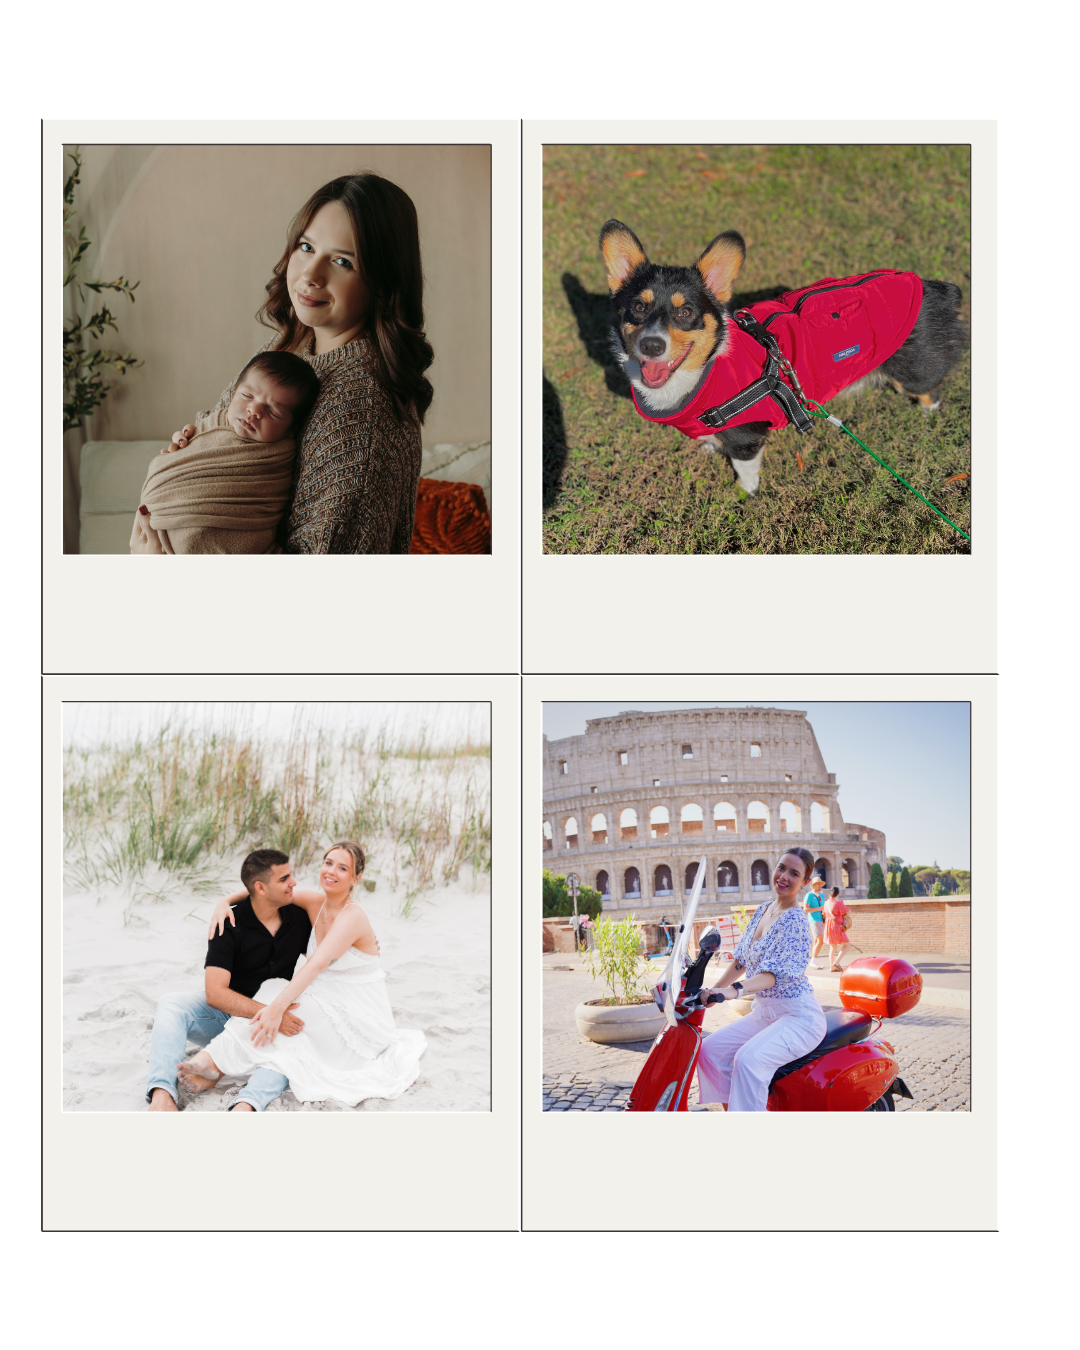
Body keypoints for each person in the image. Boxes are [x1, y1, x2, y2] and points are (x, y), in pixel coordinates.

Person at [131, 172, 433, 555]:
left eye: (342, 261)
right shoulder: (293, 343)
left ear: (383, 282)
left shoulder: (359, 407)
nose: (310, 275)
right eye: (306, 247)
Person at [177, 842, 426, 1107]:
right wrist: (224, 901)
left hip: (360, 1016)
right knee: (274, 991)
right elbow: (264, 889)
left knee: (280, 1001)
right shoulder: (315, 902)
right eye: (328, 862)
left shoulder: (352, 916)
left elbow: (316, 964)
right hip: (326, 997)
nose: (331, 871)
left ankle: (213, 1063)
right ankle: (215, 1064)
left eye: (342, 868)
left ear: (356, 878)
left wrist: (276, 1009)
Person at [146, 848, 310, 1112]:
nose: (294, 883)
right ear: (261, 888)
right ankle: (162, 1095)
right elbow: (215, 993)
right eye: (284, 879)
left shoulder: (299, 918)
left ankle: (246, 1104)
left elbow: (327, 956)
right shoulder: (228, 922)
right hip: (229, 1014)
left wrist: (365, 946)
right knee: (171, 1004)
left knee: (289, 1051)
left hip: (274, 1022)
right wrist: (269, 1013)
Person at [130, 353, 319, 554]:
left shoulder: (277, 459)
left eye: (273, 412)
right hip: (152, 535)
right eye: (247, 396)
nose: (253, 410)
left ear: (292, 429)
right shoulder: (210, 424)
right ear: (233, 392)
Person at [695, 848, 828, 1112]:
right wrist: (714, 990)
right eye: (781, 868)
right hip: (765, 1014)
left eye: (794, 873)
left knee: (747, 1060)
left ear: (804, 882)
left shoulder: (796, 920)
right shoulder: (764, 909)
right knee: (710, 1051)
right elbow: (741, 960)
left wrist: (735, 991)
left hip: (798, 1017)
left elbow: (774, 975)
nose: (784, 877)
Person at [823, 885, 850, 972]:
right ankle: (836, 962)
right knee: (847, 944)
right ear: (838, 894)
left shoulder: (826, 903)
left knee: (832, 947)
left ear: (830, 893)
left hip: (828, 925)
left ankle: (832, 967)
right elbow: (848, 911)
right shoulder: (839, 903)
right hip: (837, 925)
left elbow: (824, 914)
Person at [802, 873, 827, 969]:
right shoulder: (809, 895)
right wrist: (819, 908)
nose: (820, 886)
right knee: (820, 941)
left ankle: (813, 961)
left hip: (820, 920)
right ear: (813, 885)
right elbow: (805, 909)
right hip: (814, 920)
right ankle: (813, 961)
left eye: (820, 884)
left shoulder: (821, 895)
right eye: (818, 884)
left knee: (817, 941)